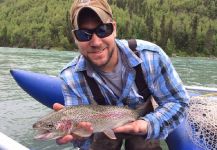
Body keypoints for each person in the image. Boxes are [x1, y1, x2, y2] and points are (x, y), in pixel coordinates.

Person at [53, 0, 189, 149]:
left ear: (114, 28)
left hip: (144, 121)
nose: (96, 42)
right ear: (75, 37)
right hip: (101, 131)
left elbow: (178, 102)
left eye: (103, 30)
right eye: (84, 34)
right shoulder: (70, 77)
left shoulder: (151, 56)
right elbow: (82, 140)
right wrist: (79, 137)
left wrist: (146, 125)